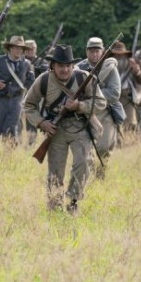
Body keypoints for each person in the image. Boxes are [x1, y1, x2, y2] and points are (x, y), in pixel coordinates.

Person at [24, 45, 106, 213]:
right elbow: (28, 105)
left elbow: (100, 102)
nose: (65, 69)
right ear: (53, 65)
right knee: (55, 170)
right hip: (56, 129)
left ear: (73, 65)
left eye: (68, 65)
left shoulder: (83, 77)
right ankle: (54, 206)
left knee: (83, 163)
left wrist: (79, 105)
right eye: (60, 65)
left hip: (80, 126)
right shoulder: (44, 80)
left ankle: (73, 201)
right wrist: (41, 123)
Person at [77, 37, 120, 178]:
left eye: (97, 51)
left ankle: (101, 176)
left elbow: (114, 93)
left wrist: (93, 95)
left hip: (105, 112)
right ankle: (87, 177)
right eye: (91, 51)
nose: (94, 54)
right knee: (85, 149)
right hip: (85, 112)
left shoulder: (110, 68)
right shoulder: (79, 68)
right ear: (86, 51)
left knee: (103, 147)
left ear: (102, 51)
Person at [0, 35, 35, 142]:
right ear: (10, 48)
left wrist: (25, 91)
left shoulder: (27, 64)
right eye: (16, 47)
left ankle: (10, 149)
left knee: (12, 127)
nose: (18, 50)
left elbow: (31, 81)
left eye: (21, 48)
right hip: (1, 99)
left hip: (17, 99)